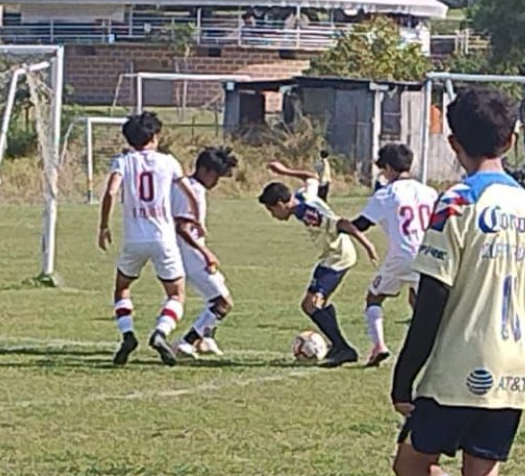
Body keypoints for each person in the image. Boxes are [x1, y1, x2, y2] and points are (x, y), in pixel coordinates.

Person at [391, 87, 525, 476]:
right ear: (512, 139)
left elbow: (432, 295)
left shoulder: (458, 202)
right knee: (482, 475)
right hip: (514, 364)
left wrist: (403, 376)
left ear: (453, 142)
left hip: (463, 361)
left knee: (412, 464)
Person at [98, 111, 199, 366]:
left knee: (122, 288)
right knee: (176, 293)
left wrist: (104, 226)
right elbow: (190, 193)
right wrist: (196, 218)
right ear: (155, 136)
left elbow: (110, 192)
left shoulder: (123, 162)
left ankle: (128, 334)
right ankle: (161, 332)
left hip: (134, 239)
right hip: (163, 238)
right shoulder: (168, 162)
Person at [259, 161, 378, 367]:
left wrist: (368, 245)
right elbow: (311, 177)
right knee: (316, 304)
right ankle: (339, 346)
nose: (273, 216)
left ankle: (343, 348)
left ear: (280, 204)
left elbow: (342, 223)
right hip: (332, 255)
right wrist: (285, 171)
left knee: (310, 304)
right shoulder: (303, 196)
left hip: (337, 257)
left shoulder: (307, 213)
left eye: (272, 210)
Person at [351, 142, 437, 369]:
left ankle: (379, 346)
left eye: (383, 169)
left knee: (374, 298)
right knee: (419, 303)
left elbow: (362, 224)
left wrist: (340, 226)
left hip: (401, 256)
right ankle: (431, 349)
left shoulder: (386, 194)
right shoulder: (429, 192)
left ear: (388, 167)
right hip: (428, 254)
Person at [172, 145, 238, 360]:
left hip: (188, 254)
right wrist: (205, 252)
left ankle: (205, 340)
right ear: (204, 170)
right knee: (223, 302)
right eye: (215, 176)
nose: (216, 181)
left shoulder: (187, 187)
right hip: (191, 256)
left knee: (216, 298)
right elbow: (181, 227)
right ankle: (186, 342)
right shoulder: (192, 191)